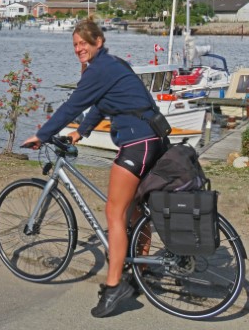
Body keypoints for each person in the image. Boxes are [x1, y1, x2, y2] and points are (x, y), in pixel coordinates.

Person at [21, 18, 166, 318]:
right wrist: (80, 132)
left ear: (98, 41)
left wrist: (43, 135)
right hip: (153, 138)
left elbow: (73, 104)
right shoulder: (113, 64)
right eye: (75, 45)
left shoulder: (98, 68)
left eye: (83, 43)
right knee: (136, 208)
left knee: (113, 213)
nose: (78, 49)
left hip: (137, 143)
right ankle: (141, 269)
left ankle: (115, 287)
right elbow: (100, 104)